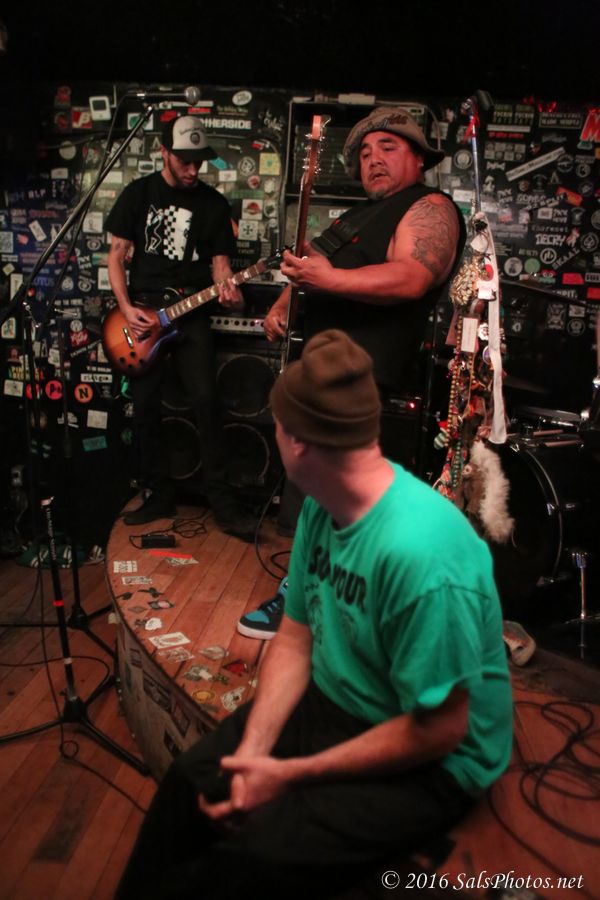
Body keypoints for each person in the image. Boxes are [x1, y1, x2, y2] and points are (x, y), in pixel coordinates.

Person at [116, 330, 513, 900]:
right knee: (189, 787)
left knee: (252, 859)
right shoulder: (323, 504)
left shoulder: (425, 555)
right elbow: (296, 634)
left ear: (298, 442)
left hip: (437, 759)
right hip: (341, 703)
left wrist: (289, 775)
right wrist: (254, 753)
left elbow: (440, 729)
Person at [239, 106, 464, 634]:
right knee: (315, 504)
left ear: (419, 158)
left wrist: (329, 280)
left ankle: (319, 613)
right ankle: (309, 601)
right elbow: (308, 268)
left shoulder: (429, 207)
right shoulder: (352, 219)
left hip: (366, 380)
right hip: (319, 380)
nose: (373, 159)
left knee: (344, 507)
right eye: (364, 153)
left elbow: (411, 277)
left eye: (388, 147)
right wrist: (284, 302)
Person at [105, 115, 254, 536]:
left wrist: (231, 292)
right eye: (184, 161)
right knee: (145, 407)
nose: (192, 170)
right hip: (143, 315)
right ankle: (159, 495)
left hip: (191, 313)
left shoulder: (214, 205)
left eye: (198, 162)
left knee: (207, 401)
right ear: (164, 153)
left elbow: (221, 269)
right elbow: (115, 256)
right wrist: (125, 307)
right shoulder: (138, 194)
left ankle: (222, 504)